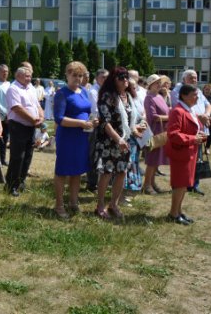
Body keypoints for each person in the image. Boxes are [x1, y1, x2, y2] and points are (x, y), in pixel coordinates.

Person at [93, 67, 142, 220]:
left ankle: (113, 204)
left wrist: (136, 129)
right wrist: (117, 139)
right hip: (109, 141)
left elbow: (129, 120)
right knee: (107, 173)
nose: (125, 80)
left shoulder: (128, 96)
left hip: (125, 141)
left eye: (126, 77)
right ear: (113, 80)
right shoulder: (107, 96)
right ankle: (100, 206)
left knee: (122, 172)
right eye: (121, 77)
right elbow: (105, 122)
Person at [52, 61, 98, 219]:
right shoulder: (62, 93)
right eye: (74, 75)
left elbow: (87, 111)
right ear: (67, 75)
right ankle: (59, 205)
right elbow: (59, 119)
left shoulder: (84, 91)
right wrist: (81, 123)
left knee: (77, 170)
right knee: (62, 171)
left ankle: (73, 202)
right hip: (67, 137)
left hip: (82, 137)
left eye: (80, 75)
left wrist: (92, 121)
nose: (78, 78)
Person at [165, 85, 207, 225]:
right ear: (184, 95)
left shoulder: (189, 110)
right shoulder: (177, 111)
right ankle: (173, 214)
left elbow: (191, 129)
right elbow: (173, 134)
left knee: (184, 184)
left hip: (189, 152)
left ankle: (178, 211)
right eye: (194, 95)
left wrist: (199, 135)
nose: (197, 97)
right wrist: (193, 138)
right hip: (180, 153)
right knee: (180, 184)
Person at [5, 67, 44, 197]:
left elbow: (37, 105)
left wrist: (41, 117)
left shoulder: (31, 88)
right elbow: (17, 108)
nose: (29, 78)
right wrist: (33, 120)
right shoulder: (13, 89)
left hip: (31, 126)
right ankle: (11, 185)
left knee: (28, 155)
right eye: (26, 76)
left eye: (30, 76)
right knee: (18, 157)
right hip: (18, 126)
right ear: (18, 76)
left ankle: (21, 182)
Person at [171, 70, 211, 195]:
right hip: (188, 131)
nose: (194, 80)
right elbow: (181, 109)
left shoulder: (198, 91)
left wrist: (206, 115)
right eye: (191, 77)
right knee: (186, 159)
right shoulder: (178, 91)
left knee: (198, 158)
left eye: (196, 77)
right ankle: (185, 184)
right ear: (184, 79)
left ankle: (194, 184)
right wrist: (199, 117)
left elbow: (208, 105)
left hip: (200, 129)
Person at [143, 74, 170, 195]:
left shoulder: (159, 96)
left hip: (162, 131)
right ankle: (147, 185)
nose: (159, 85)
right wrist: (169, 117)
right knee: (152, 160)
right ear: (150, 85)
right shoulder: (149, 98)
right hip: (154, 132)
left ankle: (152, 183)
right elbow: (153, 116)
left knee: (157, 160)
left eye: (160, 82)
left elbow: (165, 111)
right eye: (156, 83)